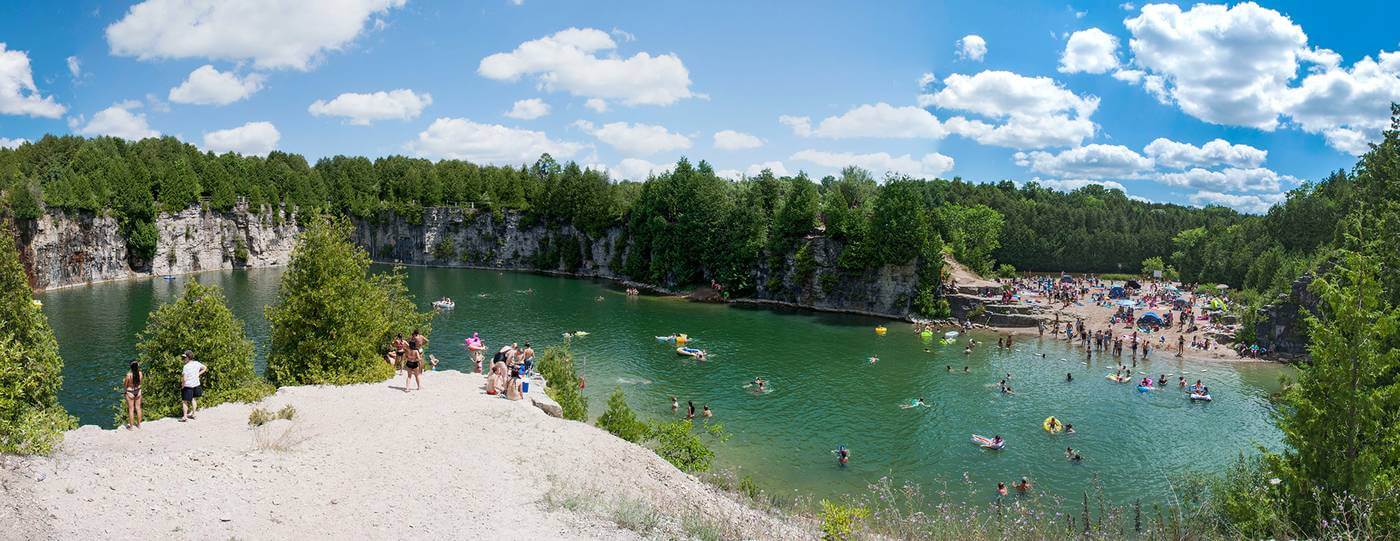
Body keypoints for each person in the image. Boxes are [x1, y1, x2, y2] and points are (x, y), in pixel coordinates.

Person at [179, 351, 206, 422]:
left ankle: (185, 417)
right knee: (193, 399)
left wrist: (182, 385)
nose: (183, 359)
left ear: (188, 358)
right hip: (196, 384)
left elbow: (184, 379)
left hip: (188, 386)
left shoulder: (186, 366)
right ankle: (194, 414)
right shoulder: (197, 363)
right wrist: (198, 374)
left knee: (185, 401)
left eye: (184, 357)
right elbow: (205, 368)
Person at [122, 360, 143, 429]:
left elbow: (125, 385)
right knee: (138, 408)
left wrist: (125, 392)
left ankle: (131, 427)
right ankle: (139, 425)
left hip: (130, 392)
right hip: (138, 391)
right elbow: (140, 382)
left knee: (131, 409)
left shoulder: (129, 375)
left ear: (131, 367)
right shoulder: (140, 373)